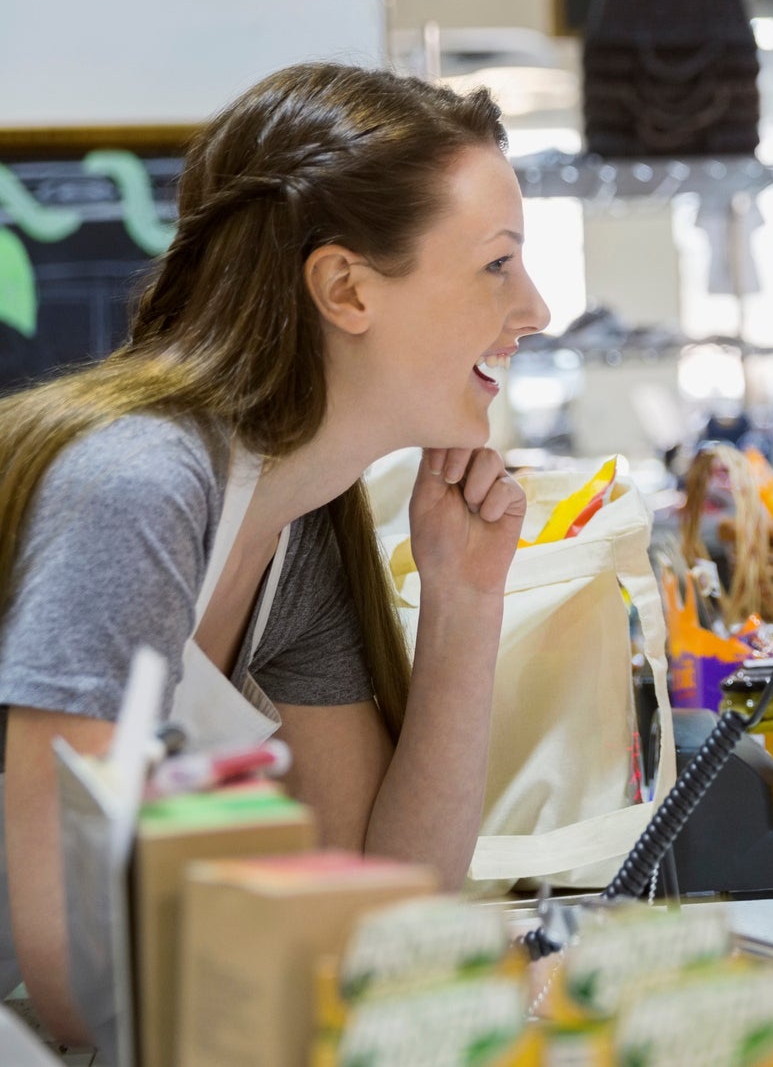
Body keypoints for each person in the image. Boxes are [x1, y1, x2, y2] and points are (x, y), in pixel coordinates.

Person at [0, 63, 550, 1045]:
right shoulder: (138, 489)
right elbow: (71, 977)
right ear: (345, 286)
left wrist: (466, 601)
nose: (536, 309)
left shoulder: (300, 515)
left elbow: (387, 904)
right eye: (498, 264)